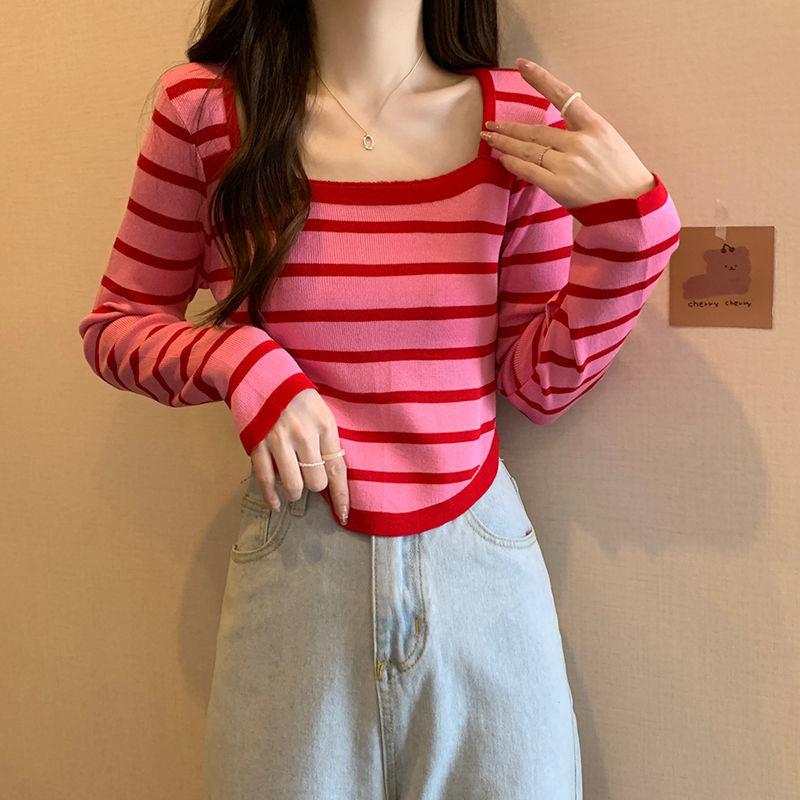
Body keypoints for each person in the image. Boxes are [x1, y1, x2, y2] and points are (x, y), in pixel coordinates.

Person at [77, 1, 682, 798]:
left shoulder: (515, 123)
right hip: (297, 568)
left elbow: (537, 385)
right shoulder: (203, 114)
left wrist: (631, 234)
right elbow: (116, 325)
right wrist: (238, 359)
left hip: (481, 571)